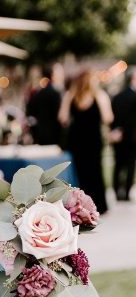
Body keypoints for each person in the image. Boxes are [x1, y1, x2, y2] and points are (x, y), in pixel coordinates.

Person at [59, 70, 113, 215]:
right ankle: (99, 206)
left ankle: (80, 207)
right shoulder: (99, 96)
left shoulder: (70, 95)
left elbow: (62, 118)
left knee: (80, 173)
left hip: (76, 139)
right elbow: (108, 117)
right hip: (93, 138)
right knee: (96, 171)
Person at [111, 69, 136, 202]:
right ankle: (126, 193)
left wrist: (115, 130)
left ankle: (116, 191)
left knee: (118, 164)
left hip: (117, 135)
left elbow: (112, 117)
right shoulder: (134, 96)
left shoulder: (117, 96)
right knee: (130, 166)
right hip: (131, 137)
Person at [26, 67, 63, 145]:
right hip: (54, 135)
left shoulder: (39, 93)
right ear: (53, 76)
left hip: (40, 134)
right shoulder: (55, 94)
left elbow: (30, 113)